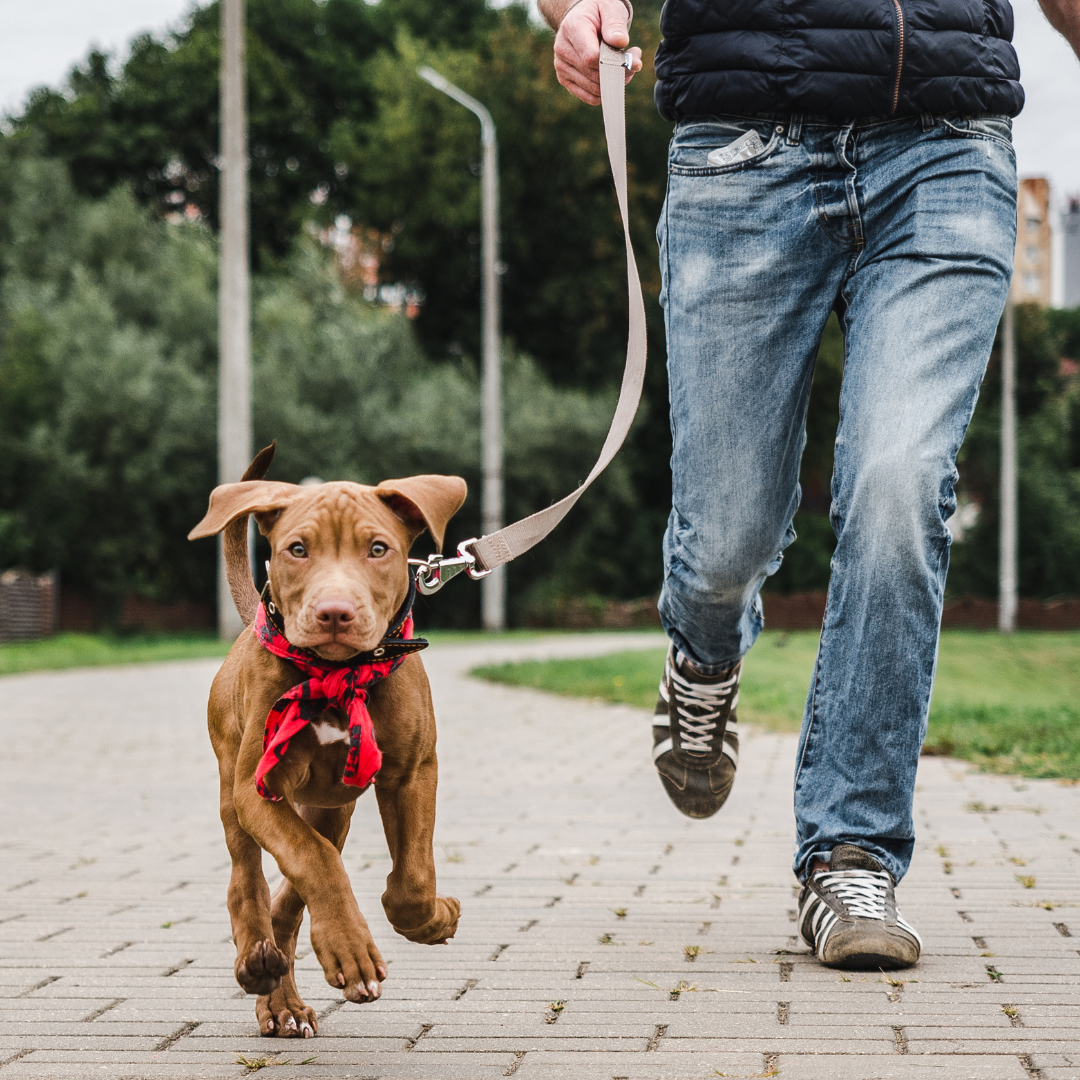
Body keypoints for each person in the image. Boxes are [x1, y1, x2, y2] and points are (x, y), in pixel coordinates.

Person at [539, 0, 1080, 969]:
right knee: (726, 542)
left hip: (947, 145)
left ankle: (850, 848)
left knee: (898, 486)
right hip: (741, 144)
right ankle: (702, 660)